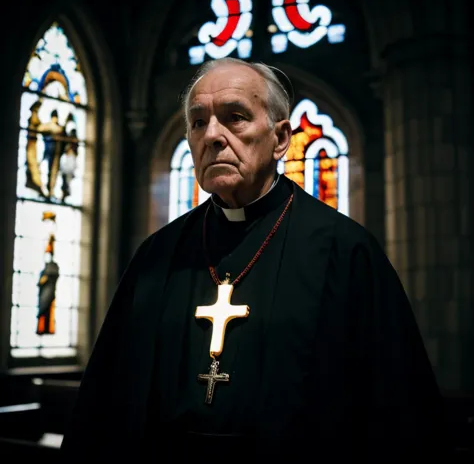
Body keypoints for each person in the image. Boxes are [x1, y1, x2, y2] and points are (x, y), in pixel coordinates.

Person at [60, 57, 450, 462]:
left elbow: (396, 413)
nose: (212, 135)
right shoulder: (157, 255)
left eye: (235, 117)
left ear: (281, 139)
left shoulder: (346, 251)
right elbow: (108, 404)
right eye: (198, 122)